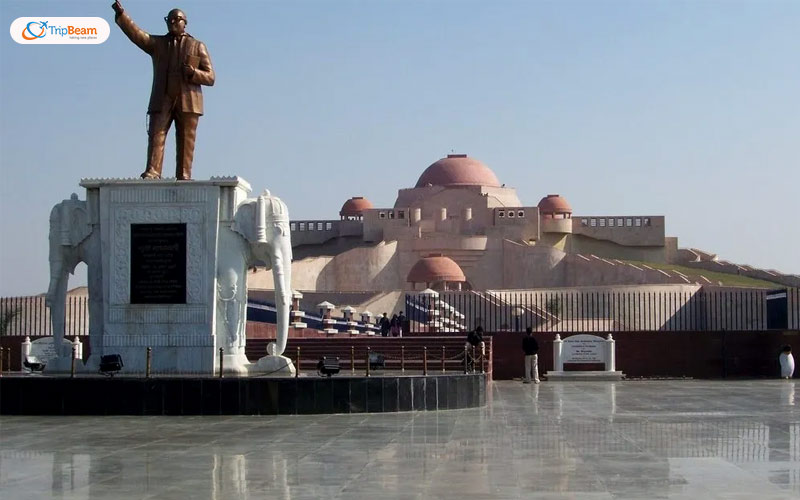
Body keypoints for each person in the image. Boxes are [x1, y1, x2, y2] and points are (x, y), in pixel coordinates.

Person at [111, 1, 215, 180]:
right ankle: (153, 171)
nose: (173, 22)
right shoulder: (158, 44)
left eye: (177, 19)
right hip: (163, 96)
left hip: (188, 99)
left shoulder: (198, 46)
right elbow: (138, 35)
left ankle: (184, 175)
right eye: (169, 19)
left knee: (186, 140)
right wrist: (122, 15)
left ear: (185, 22)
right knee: (156, 134)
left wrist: (193, 73)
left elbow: (211, 77)